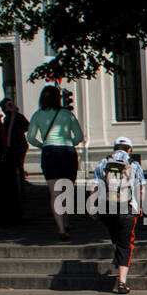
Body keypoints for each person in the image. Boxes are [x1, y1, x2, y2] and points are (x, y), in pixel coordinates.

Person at [26, 85, 85, 239]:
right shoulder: (67, 114)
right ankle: (66, 222)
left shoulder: (37, 115)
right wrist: (69, 142)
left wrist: (42, 145)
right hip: (67, 152)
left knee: (54, 192)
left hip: (49, 153)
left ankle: (61, 229)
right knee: (67, 190)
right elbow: (79, 136)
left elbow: (30, 137)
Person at [91, 136, 146, 295]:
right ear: (130, 149)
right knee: (125, 244)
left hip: (106, 209)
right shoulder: (134, 165)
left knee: (115, 236)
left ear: (115, 148)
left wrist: (92, 207)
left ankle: (118, 258)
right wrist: (140, 206)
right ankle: (122, 283)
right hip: (127, 209)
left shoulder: (103, 163)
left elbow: (94, 186)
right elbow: (141, 189)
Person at [0, 98, 29, 196]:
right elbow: (27, 127)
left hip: (14, 146)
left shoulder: (9, 117)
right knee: (19, 167)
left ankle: (17, 190)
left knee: (14, 168)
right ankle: (21, 190)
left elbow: (6, 132)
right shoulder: (18, 116)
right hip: (21, 144)